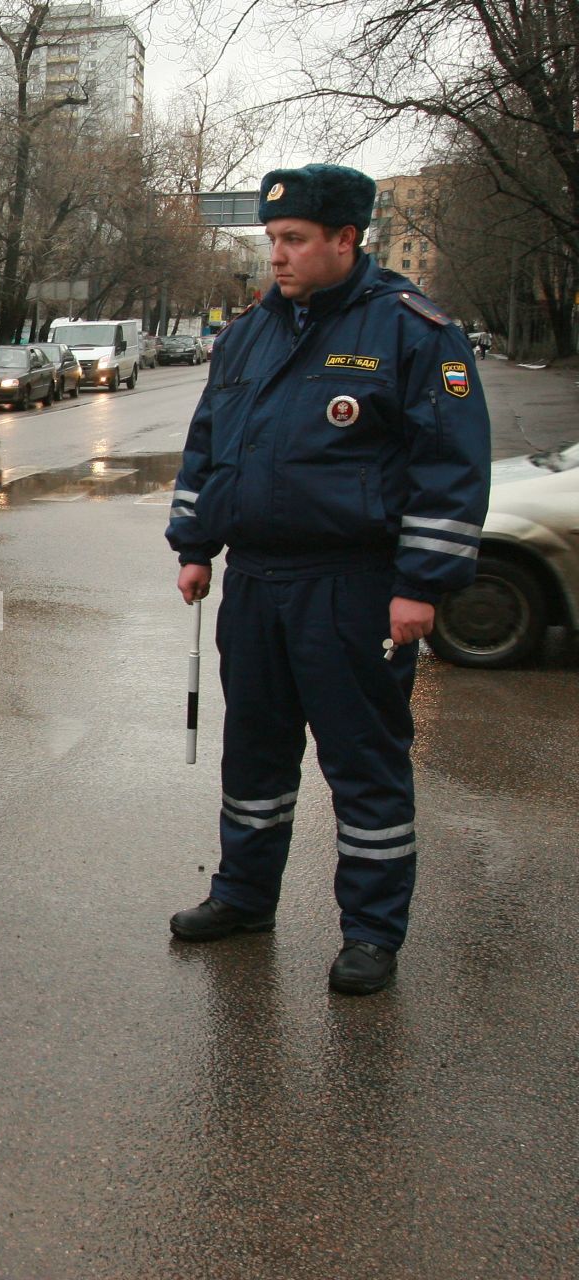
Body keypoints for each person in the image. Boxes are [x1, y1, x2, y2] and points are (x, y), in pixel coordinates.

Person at [164, 163, 491, 995]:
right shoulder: (248, 333)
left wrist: (420, 584)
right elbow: (209, 446)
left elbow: (450, 467)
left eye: (295, 240)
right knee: (256, 755)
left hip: (353, 585)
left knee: (364, 762)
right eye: (272, 240)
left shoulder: (411, 330)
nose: (277, 255)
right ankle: (243, 897)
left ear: (347, 239)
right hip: (259, 583)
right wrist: (195, 544)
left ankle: (373, 934)